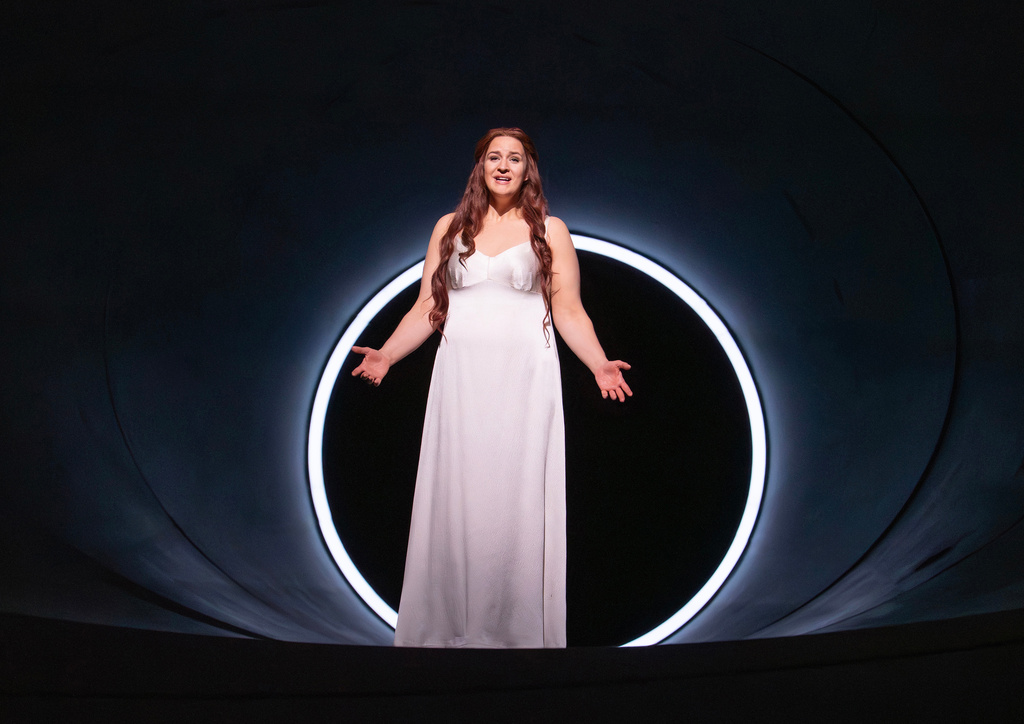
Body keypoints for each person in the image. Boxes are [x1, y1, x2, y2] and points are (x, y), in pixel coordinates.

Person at [351, 128, 631, 648]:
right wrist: (388, 353)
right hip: (461, 379)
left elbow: (568, 308)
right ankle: (446, 629)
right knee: (459, 493)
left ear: (529, 170)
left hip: (524, 378)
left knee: (514, 498)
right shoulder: (449, 227)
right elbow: (428, 308)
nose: (503, 166)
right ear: (480, 165)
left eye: (515, 158)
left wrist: (598, 364)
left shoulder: (550, 229)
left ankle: (512, 632)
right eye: (494, 157)